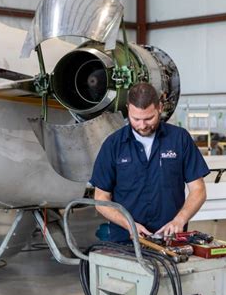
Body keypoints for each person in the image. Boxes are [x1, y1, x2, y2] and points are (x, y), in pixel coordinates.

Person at [90, 82, 210, 242]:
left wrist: (180, 220)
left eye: (149, 118)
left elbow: (198, 189)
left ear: (160, 107)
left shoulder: (179, 139)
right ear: (128, 109)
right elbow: (101, 198)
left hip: (170, 240)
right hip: (125, 240)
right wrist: (129, 224)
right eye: (136, 119)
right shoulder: (113, 145)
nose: (142, 125)